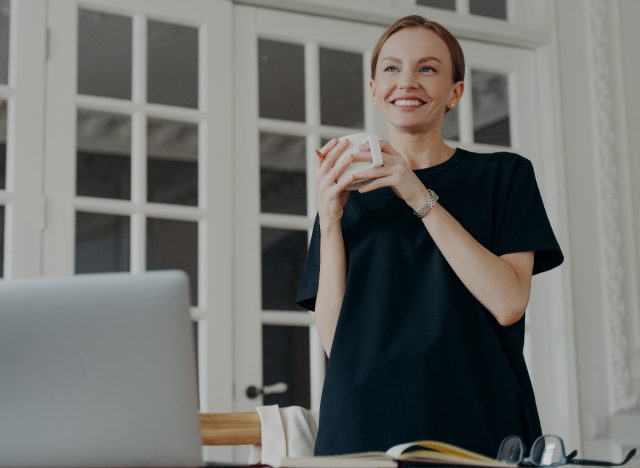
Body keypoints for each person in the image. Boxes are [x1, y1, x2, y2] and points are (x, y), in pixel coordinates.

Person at [295, 15, 564, 458]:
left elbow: (509, 302)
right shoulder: (346, 194)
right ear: (373, 88)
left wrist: (416, 192)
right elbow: (335, 340)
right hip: (363, 425)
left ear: (455, 92)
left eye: (427, 68)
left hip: (479, 421)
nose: (406, 81)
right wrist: (328, 219)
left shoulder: (504, 175)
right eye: (391, 68)